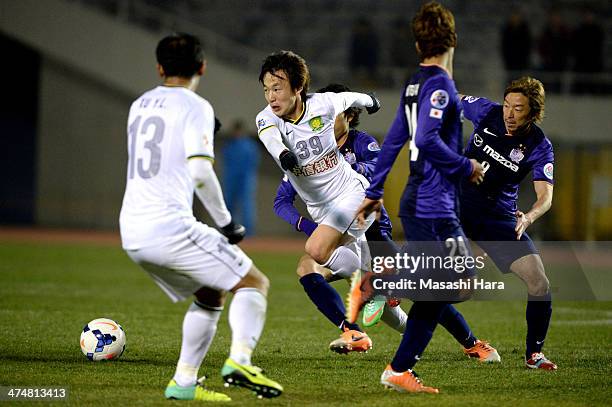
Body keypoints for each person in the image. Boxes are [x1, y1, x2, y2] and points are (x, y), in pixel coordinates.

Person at [119, 33, 282, 401]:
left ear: (159, 68)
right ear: (203, 67)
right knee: (254, 283)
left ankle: (183, 384)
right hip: (169, 228)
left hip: (132, 231)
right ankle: (240, 360)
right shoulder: (196, 106)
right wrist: (226, 223)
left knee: (211, 292)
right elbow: (200, 173)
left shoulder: (139, 104)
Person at [351, 2, 495, 393]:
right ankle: (388, 280)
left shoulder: (415, 83)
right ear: (454, 41)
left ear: (417, 45)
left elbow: (397, 136)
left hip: (421, 200)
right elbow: (426, 139)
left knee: (442, 289)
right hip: (432, 204)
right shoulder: (441, 85)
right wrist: (468, 167)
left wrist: (375, 189)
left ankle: (399, 369)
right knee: (459, 282)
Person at [256, 51, 381, 353]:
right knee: (305, 268)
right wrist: (282, 154)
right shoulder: (266, 118)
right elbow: (271, 137)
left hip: (355, 197)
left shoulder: (323, 104)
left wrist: (371, 101)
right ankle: (353, 331)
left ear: (297, 87)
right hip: (328, 213)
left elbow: (352, 98)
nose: (271, 96)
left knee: (315, 248)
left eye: (278, 87)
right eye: (266, 89)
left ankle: (374, 278)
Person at [273, 83, 407, 334]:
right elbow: (281, 202)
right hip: (336, 238)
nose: (321, 123)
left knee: (410, 295)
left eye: (328, 117)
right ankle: (351, 331)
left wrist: (341, 170)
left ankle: (467, 340)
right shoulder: (306, 151)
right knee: (306, 267)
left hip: (371, 232)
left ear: (350, 115)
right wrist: (309, 226)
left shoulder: (361, 143)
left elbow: (378, 170)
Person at [459, 76, 556, 370]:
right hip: (457, 206)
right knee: (460, 288)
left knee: (539, 283)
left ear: (534, 112)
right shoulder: (486, 111)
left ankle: (534, 354)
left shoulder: (540, 146)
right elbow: (448, 98)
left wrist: (528, 217)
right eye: (507, 106)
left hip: (499, 217)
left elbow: (546, 197)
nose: (509, 115)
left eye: (518, 109)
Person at [222, 119, 260, 235]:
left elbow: (254, 162)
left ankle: (248, 233)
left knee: (246, 205)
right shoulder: (230, 145)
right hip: (231, 179)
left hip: (245, 179)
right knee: (229, 205)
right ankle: (229, 230)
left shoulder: (250, 145)